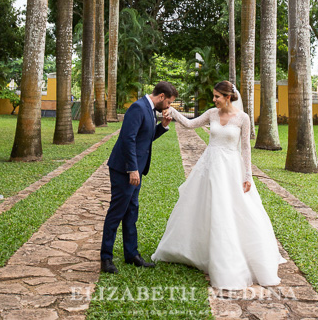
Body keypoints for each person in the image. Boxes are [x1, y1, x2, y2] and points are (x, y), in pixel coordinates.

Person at [151, 80, 286, 290]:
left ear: (229, 97)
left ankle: (232, 256)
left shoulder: (243, 118)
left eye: (217, 96)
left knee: (231, 210)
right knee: (203, 208)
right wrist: (171, 111)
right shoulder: (212, 114)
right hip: (209, 166)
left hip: (231, 169)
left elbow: (245, 149)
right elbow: (190, 124)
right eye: (213, 96)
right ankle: (198, 251)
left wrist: (248, 176)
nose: (214, 100)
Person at [100, 81, 177, 274]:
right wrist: (132, 169)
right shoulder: (137, 108)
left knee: (132, 212)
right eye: (168, 102)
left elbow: (145, 137)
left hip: (136, 170)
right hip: (124, 170)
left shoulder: (150, 110)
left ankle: (131, 254)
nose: (168, 107)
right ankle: (106, 258)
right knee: (116, 212)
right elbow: (128, 139)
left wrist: (163, 126)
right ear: (161, 97)